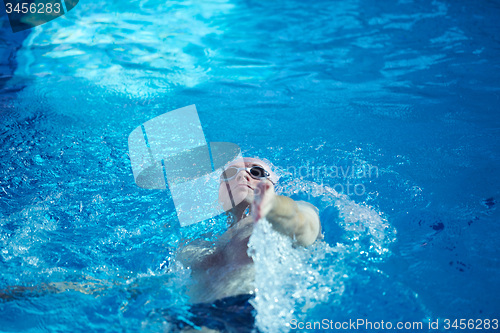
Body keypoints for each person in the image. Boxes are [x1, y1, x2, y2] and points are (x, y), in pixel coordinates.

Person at [174, 157, 322, 332]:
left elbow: (304, 225)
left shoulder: (272, 222)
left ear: (272, 185)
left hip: (247, 311)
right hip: (189, 315)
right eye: (230, 174)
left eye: (256, 172)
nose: (243, 175)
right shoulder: (202, 242)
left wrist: (273, 207)